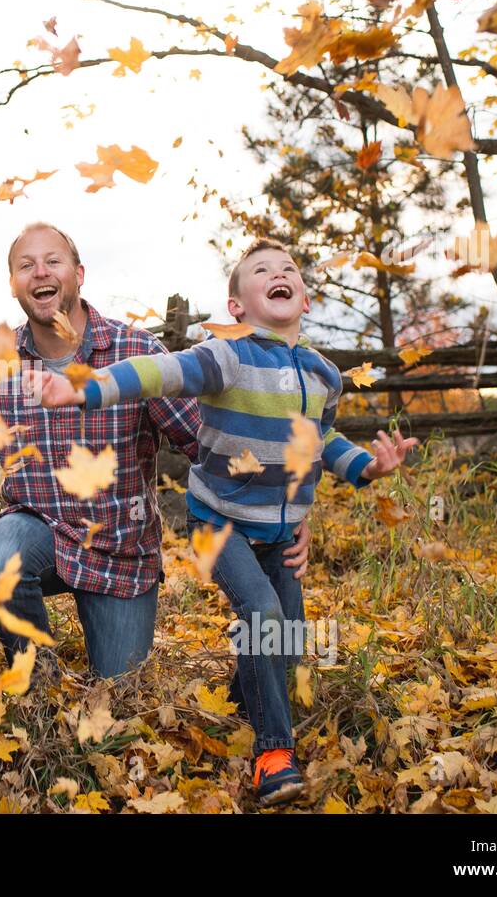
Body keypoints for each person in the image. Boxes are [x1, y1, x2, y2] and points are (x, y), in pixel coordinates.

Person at [32, 237, 417, 806]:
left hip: (281, 530)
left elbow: (323, 438)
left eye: (289, 268)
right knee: (261, 615)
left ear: (305, 299)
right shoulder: (227, 354)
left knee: (285, 639)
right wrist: (88, 387)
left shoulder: (324, 375)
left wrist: (370, 468)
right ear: (237, 305)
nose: (278, 273)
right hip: (218, 523)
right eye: (261, 270)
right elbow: (160, 371)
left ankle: (246, 696)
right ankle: (273, 754)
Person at [0, 221, 313, 679]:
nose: (40, 272)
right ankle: (38, 684)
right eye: (25, 266)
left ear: (79, 273)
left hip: (120, 555)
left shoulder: (135, 351)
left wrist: (287, 510)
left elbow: (207, 444)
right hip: (36, 532)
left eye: (53, 261)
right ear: (13, 284)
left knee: (119, 697)